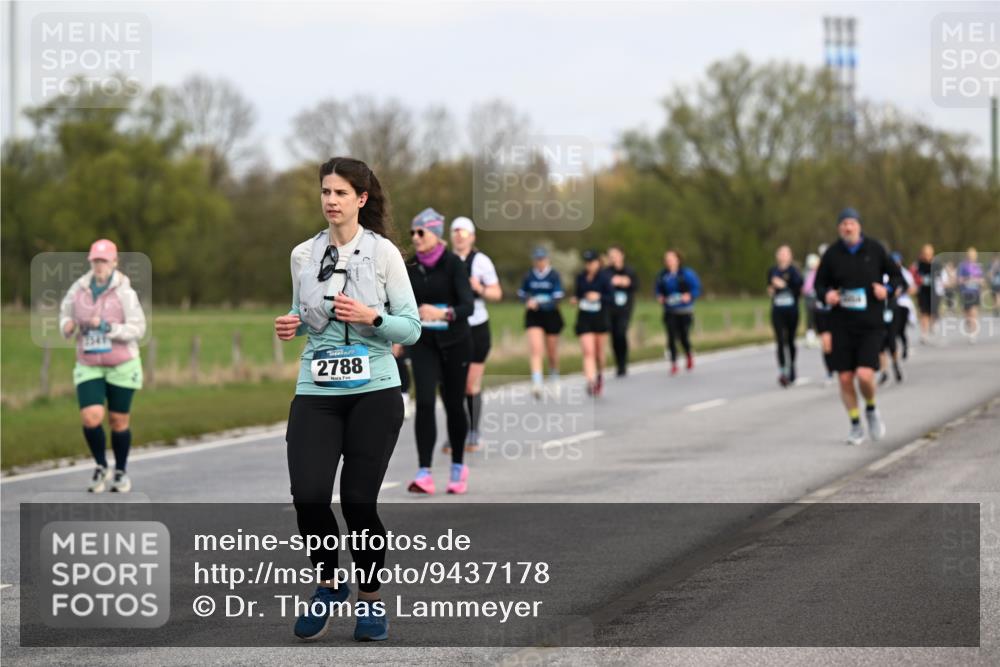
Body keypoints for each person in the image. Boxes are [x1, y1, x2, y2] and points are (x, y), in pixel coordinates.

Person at [275, 157, 421, 642]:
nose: (331, 201)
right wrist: (291, 324)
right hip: (316, 390)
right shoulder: (302, 255)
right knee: (309, 496)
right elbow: (303, 311)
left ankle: (371, 601)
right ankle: (330, 582)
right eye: (325, 192)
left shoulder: (383, 254)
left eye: (340, 193)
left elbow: (412, 328)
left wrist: (371, 317)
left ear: (361, 199)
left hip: (374, 391)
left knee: (359, 503)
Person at [59, 239, 146, 494]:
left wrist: (108, 328)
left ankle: (120, 471)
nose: (99, 266)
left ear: (114, 263)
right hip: (89, 363)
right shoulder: (79, 288)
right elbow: (65, 313)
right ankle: (100, 465)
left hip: (122, 363)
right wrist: (67, 326)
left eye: (104, 261)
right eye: (95, 261)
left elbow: (139, 329)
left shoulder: (125, 293)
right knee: (91, 416)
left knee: (118, 421)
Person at [814, 207, 904, 446]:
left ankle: (871, 410)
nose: (847, 227)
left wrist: (888, 290)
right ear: (838, 228)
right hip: (841, 325)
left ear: (859, 226)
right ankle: (855, 425)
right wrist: (827, 295)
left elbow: (898, 279)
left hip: (870, 325)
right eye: (843, 223)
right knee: (844, 378)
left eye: (851, 223)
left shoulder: (874, 249)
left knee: (864, 375)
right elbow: (819, 286)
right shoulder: (832, 254)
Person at [405, 208, 476, 494]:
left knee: (453, 403)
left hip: (456, 343)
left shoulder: (453, 264)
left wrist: (441, 312)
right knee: (423, 402)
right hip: (422, 344)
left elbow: (467, 306)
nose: (415, 237)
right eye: (412, 232)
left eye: (420, 232)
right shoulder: (409, 266)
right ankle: (424, 472)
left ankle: (458, 466)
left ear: (434, 233)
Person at [445, 216, 501, 453]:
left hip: (477, 326)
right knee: (452, 384)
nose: (459, 235)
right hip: (453, 328)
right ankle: (456, 432)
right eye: (456, 231)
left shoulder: (481, 261)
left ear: (472, 237)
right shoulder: (445, 261)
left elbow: (497, 293)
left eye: (464, 232)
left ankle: (473, 431)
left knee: (470, 384)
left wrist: (480, 288)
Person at [518, 246, 565, 398]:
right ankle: (537, 382)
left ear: (547, 259)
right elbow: (522, 294)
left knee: (551, 352)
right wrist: (528, 301)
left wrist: (542, 304)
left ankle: (554, 375)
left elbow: (557, 298)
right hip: (534, 316)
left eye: (542, 259)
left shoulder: (554, 275)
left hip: (551, 315)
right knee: (536, 348)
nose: (539, 263)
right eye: (537, 260)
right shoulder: (529, 276)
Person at [654, 249, 701, 375]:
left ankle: (688, 354)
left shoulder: (687, 274)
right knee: (670, 337)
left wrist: (689, 296)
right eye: (667, 259)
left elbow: (696, 289)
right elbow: (657, 290)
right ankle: (674, 363)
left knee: (683, 336)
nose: (669, 261)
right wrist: (660, 297)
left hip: (684, 311)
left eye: (671, 258)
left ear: (678, 259)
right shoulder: (662, 275)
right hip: (670, 310)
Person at [573, 250, 613, 396]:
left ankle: (600, 375)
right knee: (588, 351)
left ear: (598, 262)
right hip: (584, 317)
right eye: (586, 262)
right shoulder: (581, 277)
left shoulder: (604, 278)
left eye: (591, 262)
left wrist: (598, 296)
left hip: (600, 318)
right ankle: (590, 381)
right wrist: (576, 299)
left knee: (598, 353)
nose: (588, 265)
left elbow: (611, 298)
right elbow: (577, 294)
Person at [766, 245, 804, 387]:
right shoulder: (772, 271)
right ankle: (782, 371)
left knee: (790, 340)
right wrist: (771, 289)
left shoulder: (794, 271)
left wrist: (784, 285)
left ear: (790, 256)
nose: (782, 256)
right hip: (777, 309)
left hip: (791, 310)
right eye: (780, 253)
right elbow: (769, 287)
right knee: (780, 340)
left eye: (785, 253)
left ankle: (792, 366)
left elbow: (799, 289)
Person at [603, 245, 639, 377]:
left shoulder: (629, 271)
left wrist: (626, 282)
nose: (613, 257)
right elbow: (602, 286)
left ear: (622, 255)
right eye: (610, 255)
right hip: (610, 308)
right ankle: (618, 363)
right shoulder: (606, 272)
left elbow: (636, 285)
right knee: (613, 335)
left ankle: (623, 362)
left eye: (615, 254)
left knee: (621, 332)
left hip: (625, 308)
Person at [910, 244, 937, 343]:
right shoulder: (917, 264)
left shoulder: (936, 264)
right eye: (925, 254)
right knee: (923, 312)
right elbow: (911, 275)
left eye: (929, 254)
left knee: (932, 312)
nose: (927, 256)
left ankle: (932, 324)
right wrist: (914, 284)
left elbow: (942, 277)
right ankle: (924, 334)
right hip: (922, 292)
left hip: (933, 292)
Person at [958, 247, 983, 343]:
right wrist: (967, 279)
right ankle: (969, 325)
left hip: (975, 292)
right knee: (967, 314)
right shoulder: (962, 266)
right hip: (965, 292)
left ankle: (973, 333)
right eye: (970, 256)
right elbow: (959, 280)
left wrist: (978, 281)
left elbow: (982, 280)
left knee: (973, 312)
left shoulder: (977, 266)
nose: (972, 257)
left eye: (973, 256)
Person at [802, 253, 821, 349]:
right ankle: (810, 337)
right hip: (809, 298)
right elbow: (805, 288)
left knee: (818, 317)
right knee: (810, 318)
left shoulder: (820, 272)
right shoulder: (807, 273)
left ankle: (818, 336)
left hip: (818, 298)